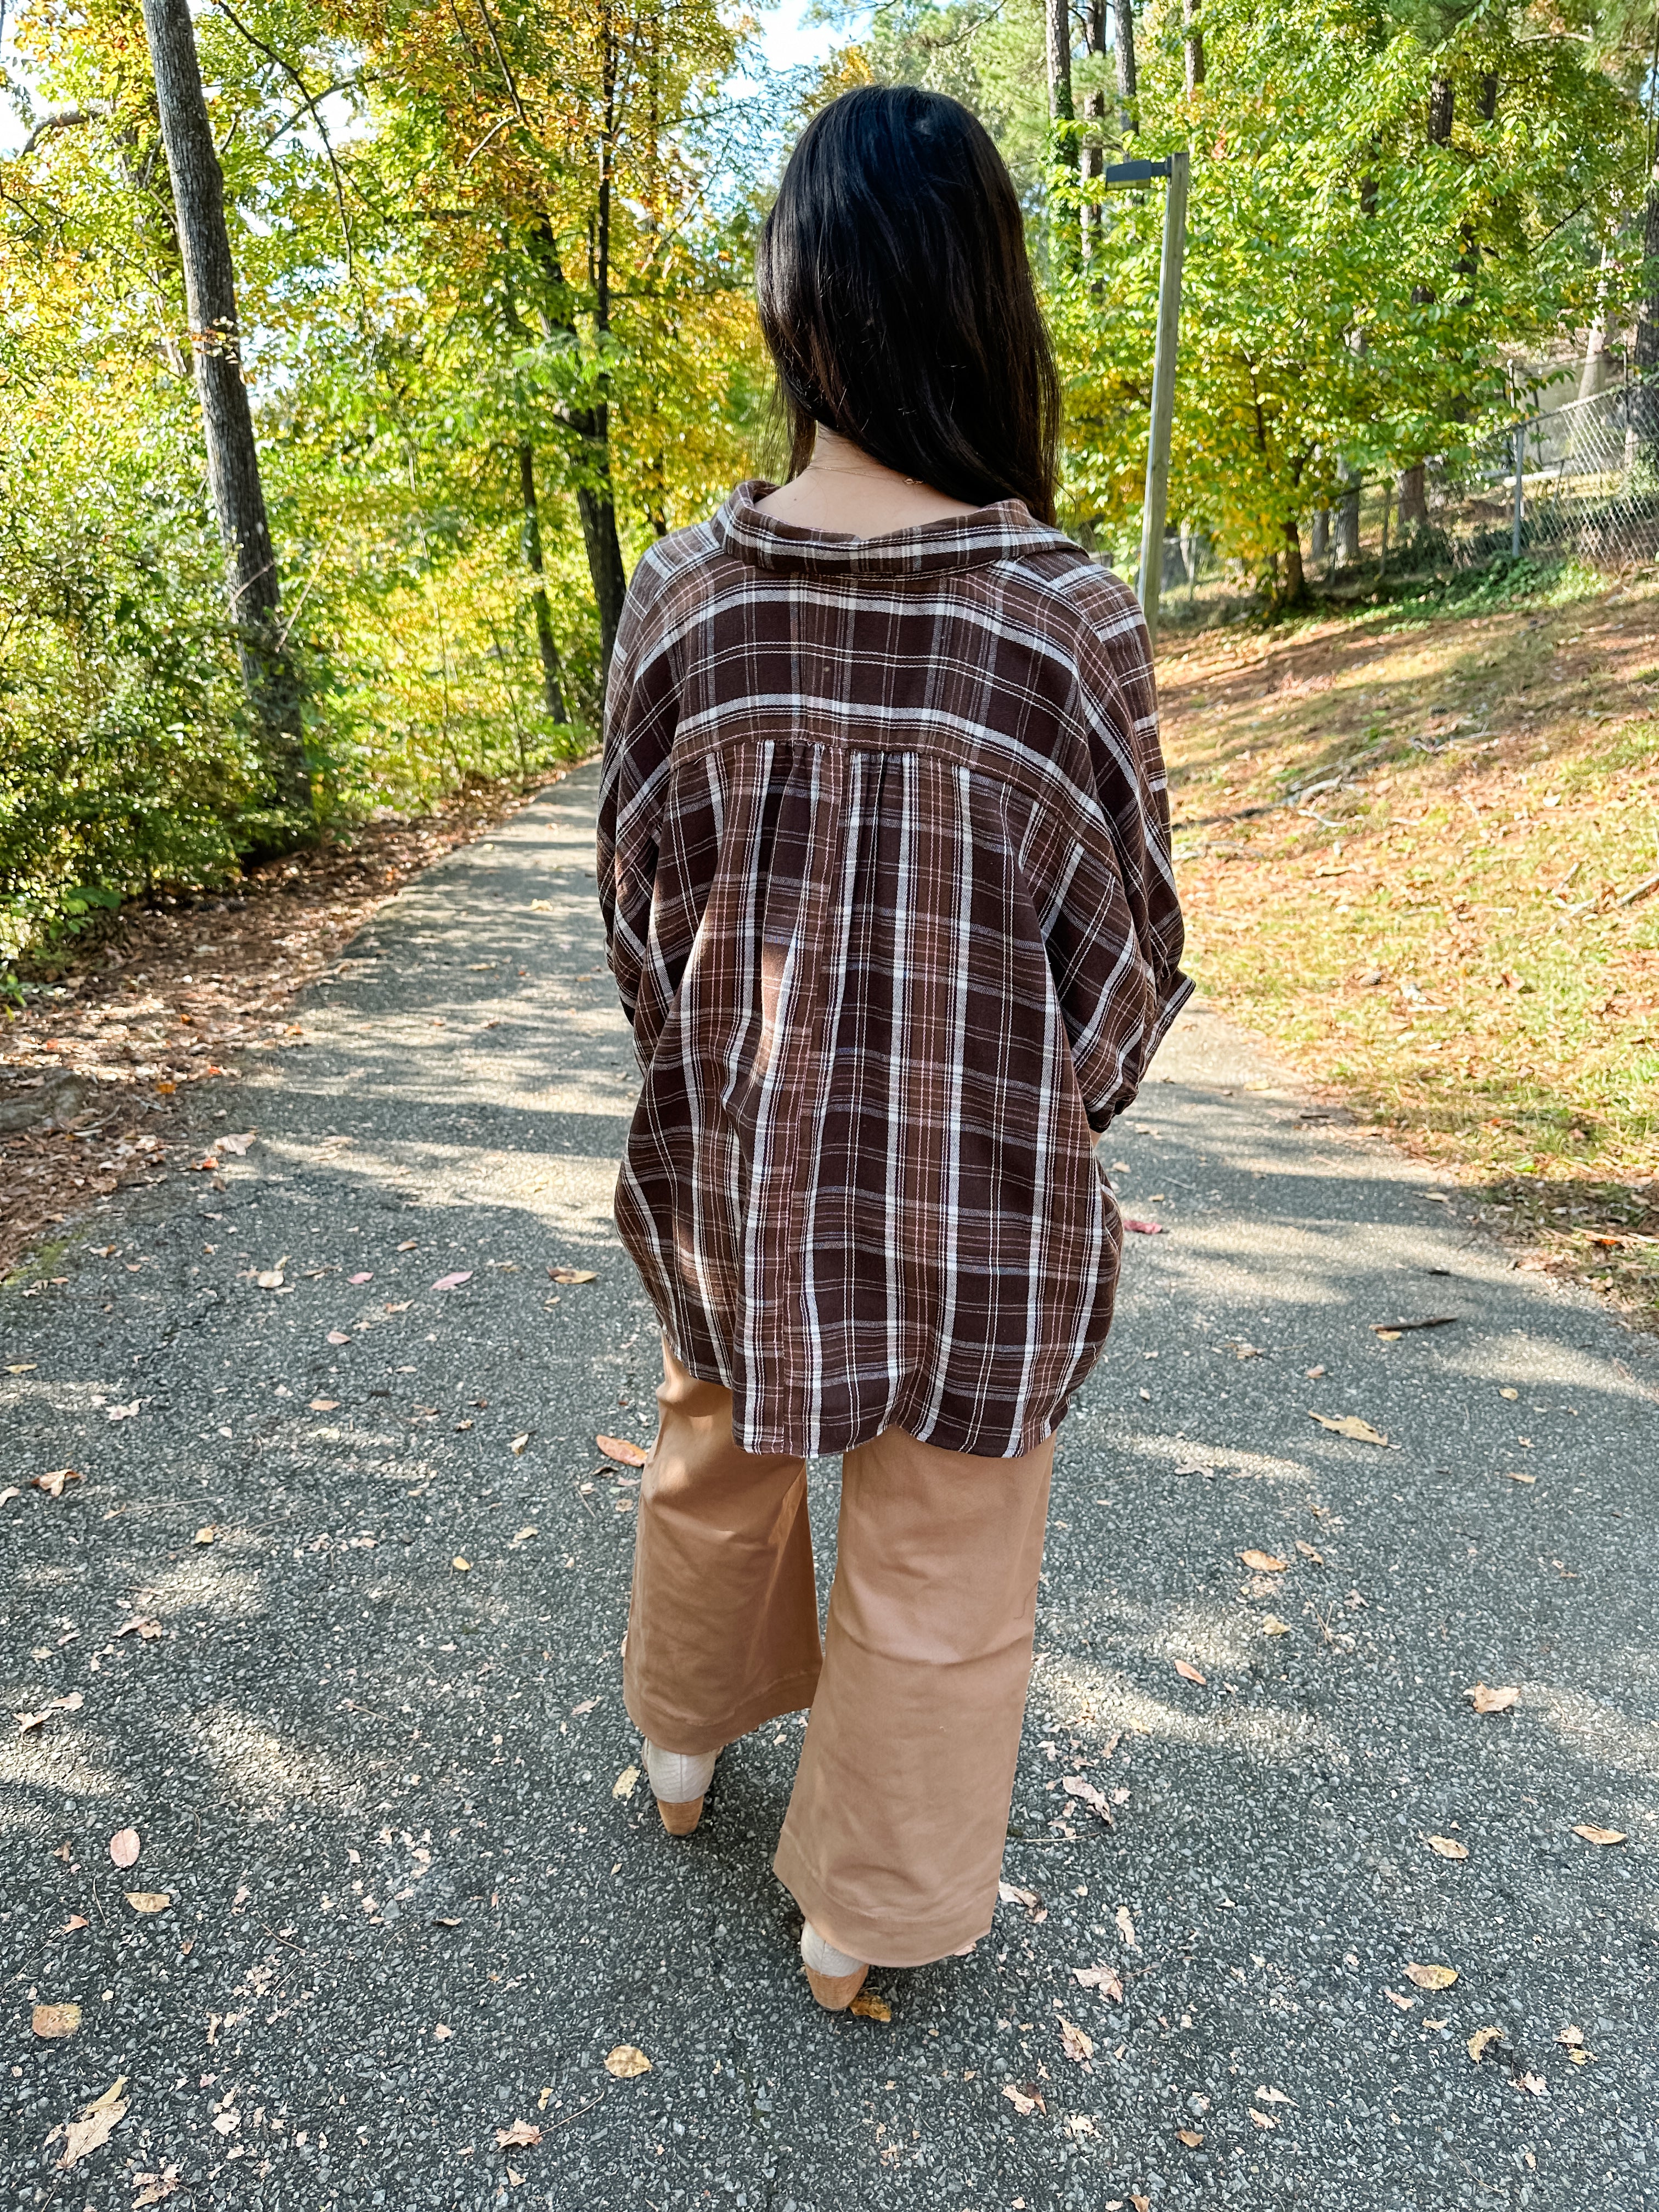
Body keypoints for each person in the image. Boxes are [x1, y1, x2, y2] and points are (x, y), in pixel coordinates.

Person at [596, 83, 1188, 2011]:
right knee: (943, 1553)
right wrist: (1035, 1104)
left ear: (797, 303)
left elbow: (636, 912)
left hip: (740, 1177)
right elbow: (1125, 957)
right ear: (987, 303)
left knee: (714, 1442)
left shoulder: (681, 598)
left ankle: (684, 1754)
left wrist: (725, 1081)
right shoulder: (1063, 617)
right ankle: (863, 1918)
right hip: (978, 1197)